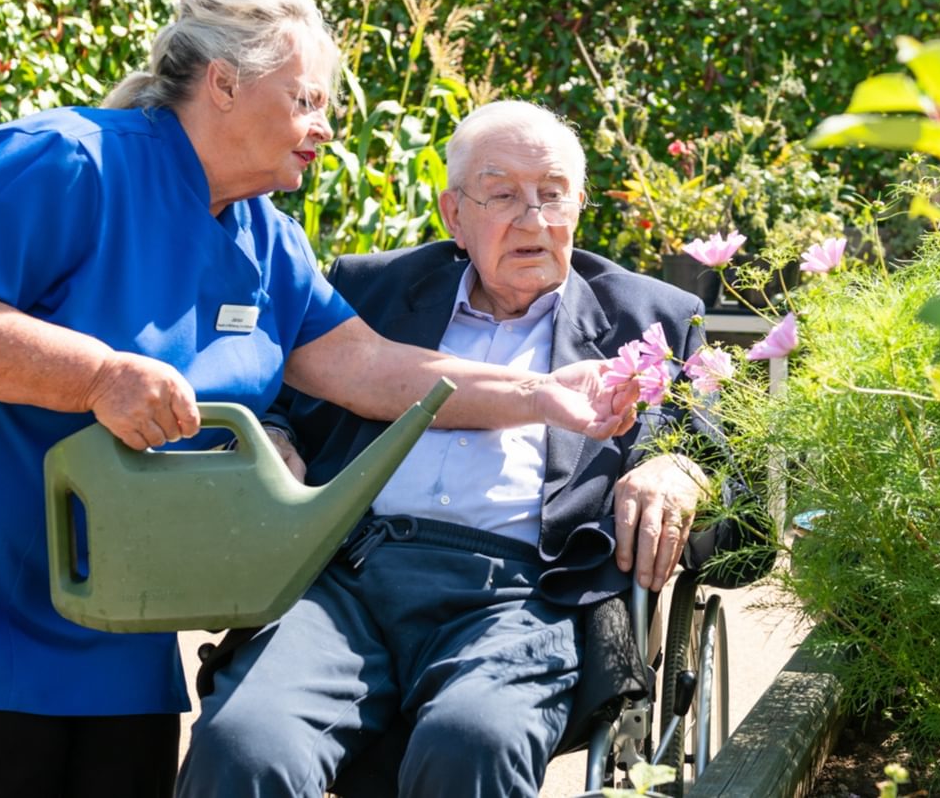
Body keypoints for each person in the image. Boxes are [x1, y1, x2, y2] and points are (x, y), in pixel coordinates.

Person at [0, 0, 635, 798]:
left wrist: (544, 397)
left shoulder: (264, 238)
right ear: (223, 84)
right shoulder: (68, 159)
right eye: (307, 100)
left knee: (130, 770)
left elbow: (370, 368)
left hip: (96, 547)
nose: (326, 127)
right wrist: (98, 372)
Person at [177, 100, 718, 798]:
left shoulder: (651, 319)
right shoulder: (370, 289)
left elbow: (727, 466)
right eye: (501, 193)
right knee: (245, 743)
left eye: (552, 194)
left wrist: (679, 471)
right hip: (350, 577)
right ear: (453, 216)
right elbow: (275, 383)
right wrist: (275, 435)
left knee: (474, 742)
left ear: (578, 208)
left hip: (522, 594)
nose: (533, 219)